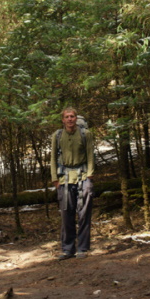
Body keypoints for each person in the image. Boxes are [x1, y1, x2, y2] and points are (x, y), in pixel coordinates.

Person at [51, 107, 95, 260]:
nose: (70, 119)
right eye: (67, 117)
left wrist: (89, 176)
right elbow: (52, 158)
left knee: (84, 213)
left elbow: (90, 156)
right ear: (63, 120)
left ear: (76, 118)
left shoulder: (86, 134)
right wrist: (55, 179)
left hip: (83, 176)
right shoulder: (57, 136)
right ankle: (68, 249)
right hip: (65, 178)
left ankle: (82, 248)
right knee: (66, 213)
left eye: (72, 116)